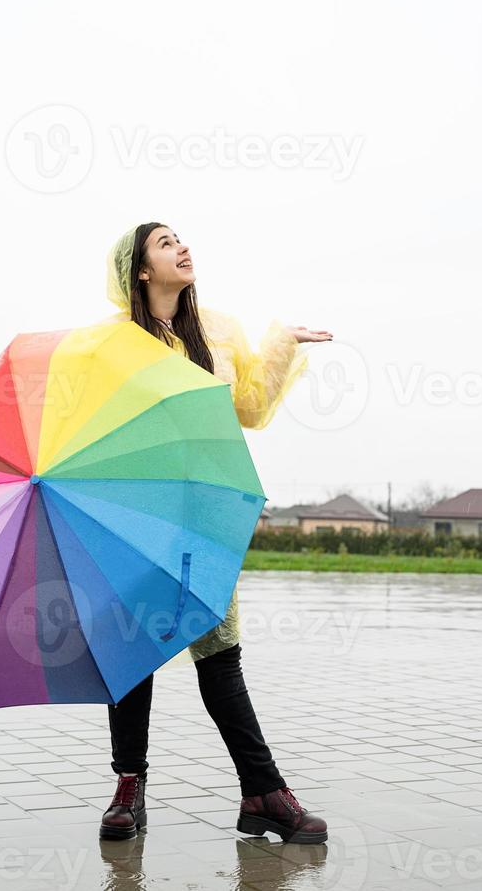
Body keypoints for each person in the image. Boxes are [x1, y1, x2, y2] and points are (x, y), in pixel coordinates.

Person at [99, 222, 333, 845]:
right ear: (141, 270)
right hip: (139, 518)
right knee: (134, 657)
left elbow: (250, 407)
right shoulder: (115, 344)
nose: (182, 246)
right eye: (165, 243)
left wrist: (281, 341)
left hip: (204, 520)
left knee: (220, 657)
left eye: (182, 238)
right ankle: (129, 790)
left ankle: (262, 793)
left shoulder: (219, 331)